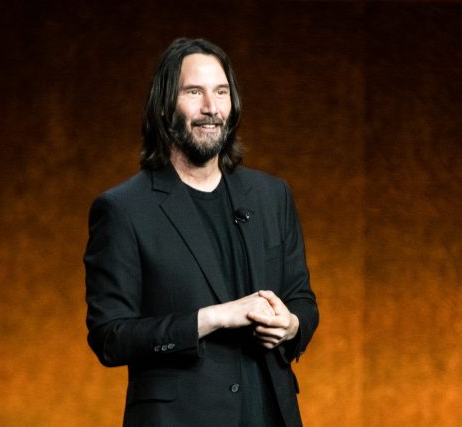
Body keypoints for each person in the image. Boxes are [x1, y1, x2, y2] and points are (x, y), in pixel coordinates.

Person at [84, 37, 318, 427]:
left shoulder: (272, 195)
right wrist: (212, 318)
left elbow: (302, 299)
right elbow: (110, 337)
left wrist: (290, 325)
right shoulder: (123, 209)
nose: (211, 107)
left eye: (221, 92)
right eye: (194, 92)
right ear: (164, 106)